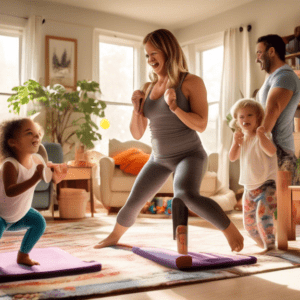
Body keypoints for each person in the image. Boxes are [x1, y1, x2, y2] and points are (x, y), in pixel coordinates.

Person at [94, 29, 244, 252]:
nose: (150, 59)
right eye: (147, 55)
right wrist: (136, 110)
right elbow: (137, 134)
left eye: (154, 53)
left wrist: (175, 108)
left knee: (185, 194)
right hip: (159, 159)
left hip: (190, 155)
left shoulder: (191, 82)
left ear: (168, 51)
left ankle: (230, 230)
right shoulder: (148, 87)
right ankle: (114, 236)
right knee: (134, 200)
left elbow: (201, 124)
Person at [0, 118, 68, 266]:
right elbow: (10, 191)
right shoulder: (10, 165)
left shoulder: (37, 159)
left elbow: (49, 176)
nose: (36, 136)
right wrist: (35, 178)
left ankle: (23, 255)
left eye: (37, 133)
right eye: (29, 133)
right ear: (13, 142)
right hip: (1, 216)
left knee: (39, 223)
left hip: (19, 214)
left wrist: (57, 176)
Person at [229, 99, 277, 250]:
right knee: (248, 223)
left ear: (258, 118)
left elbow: (271, 151)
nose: (245, 119)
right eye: (241, 117)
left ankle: (270, 246)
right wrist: (235, 143)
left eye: (250, 115)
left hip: (266, 185)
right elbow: (232, 157)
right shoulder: (240, 139)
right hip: (249, 187)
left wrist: (262, 136)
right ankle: (262, 245)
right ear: (237, 120)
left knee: (264, 217)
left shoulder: (262, 135)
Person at [255, 34, 300, 179]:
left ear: (272, 52)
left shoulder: (284, 77)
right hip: (269, 152)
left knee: (283, 202)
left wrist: (256, 143)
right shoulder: (272, 77)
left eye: (259, 52)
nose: (257, 59)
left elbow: (272, 111)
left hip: (280, 155)